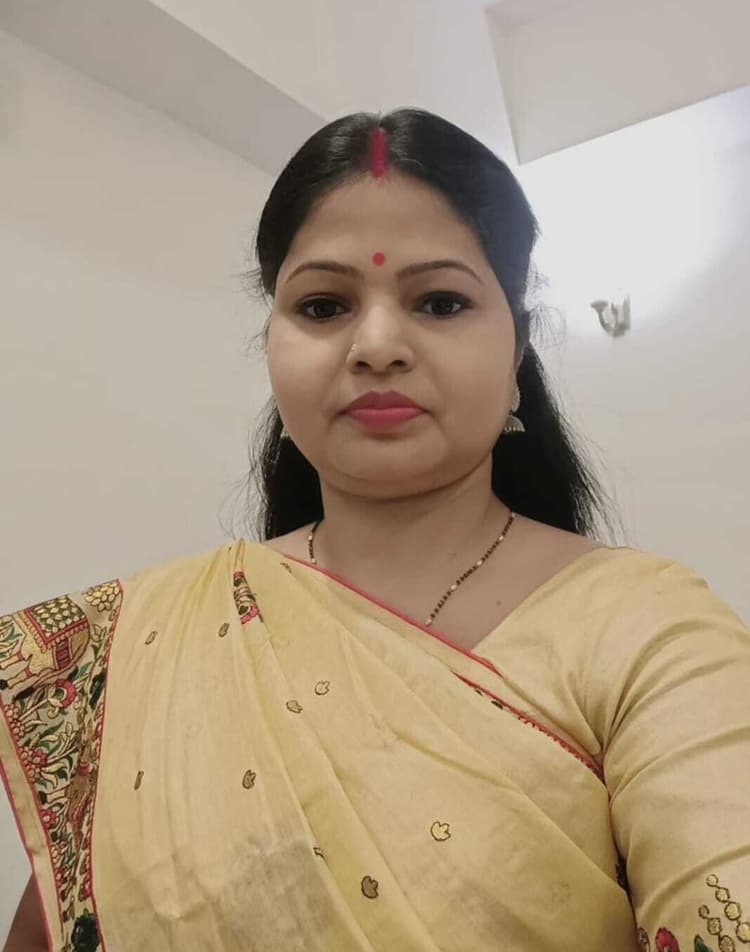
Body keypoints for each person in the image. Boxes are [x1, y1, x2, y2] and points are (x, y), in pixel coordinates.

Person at [1, 108, 748, 952]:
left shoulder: (651, 631)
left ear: (518, 353)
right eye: (323, 305)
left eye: (440, 301)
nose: (378, 344)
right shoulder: (143, 644)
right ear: (272, 347)